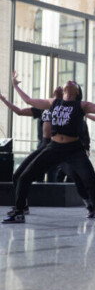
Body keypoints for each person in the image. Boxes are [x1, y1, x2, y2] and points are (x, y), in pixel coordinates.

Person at [1, 72, 95, 225]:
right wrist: (15, 86)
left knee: (90, 181)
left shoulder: (81, 105)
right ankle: (19, 212)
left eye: (74, 82)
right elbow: (28, 100)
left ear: (77, 92)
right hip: (53, 147)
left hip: (74, 149)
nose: (70, 81)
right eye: (68, 81)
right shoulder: (53, 103)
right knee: (24, 176)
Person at [0, 86, 62, 215]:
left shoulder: (66, 108)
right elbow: (19, 111)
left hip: (59, 146)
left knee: (78, 176)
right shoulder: (44, 108)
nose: (59, 87)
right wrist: (4, 99)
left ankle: (92, 207)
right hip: (44, 146)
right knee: (17, 176)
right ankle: (22, 206)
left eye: (63, 88)